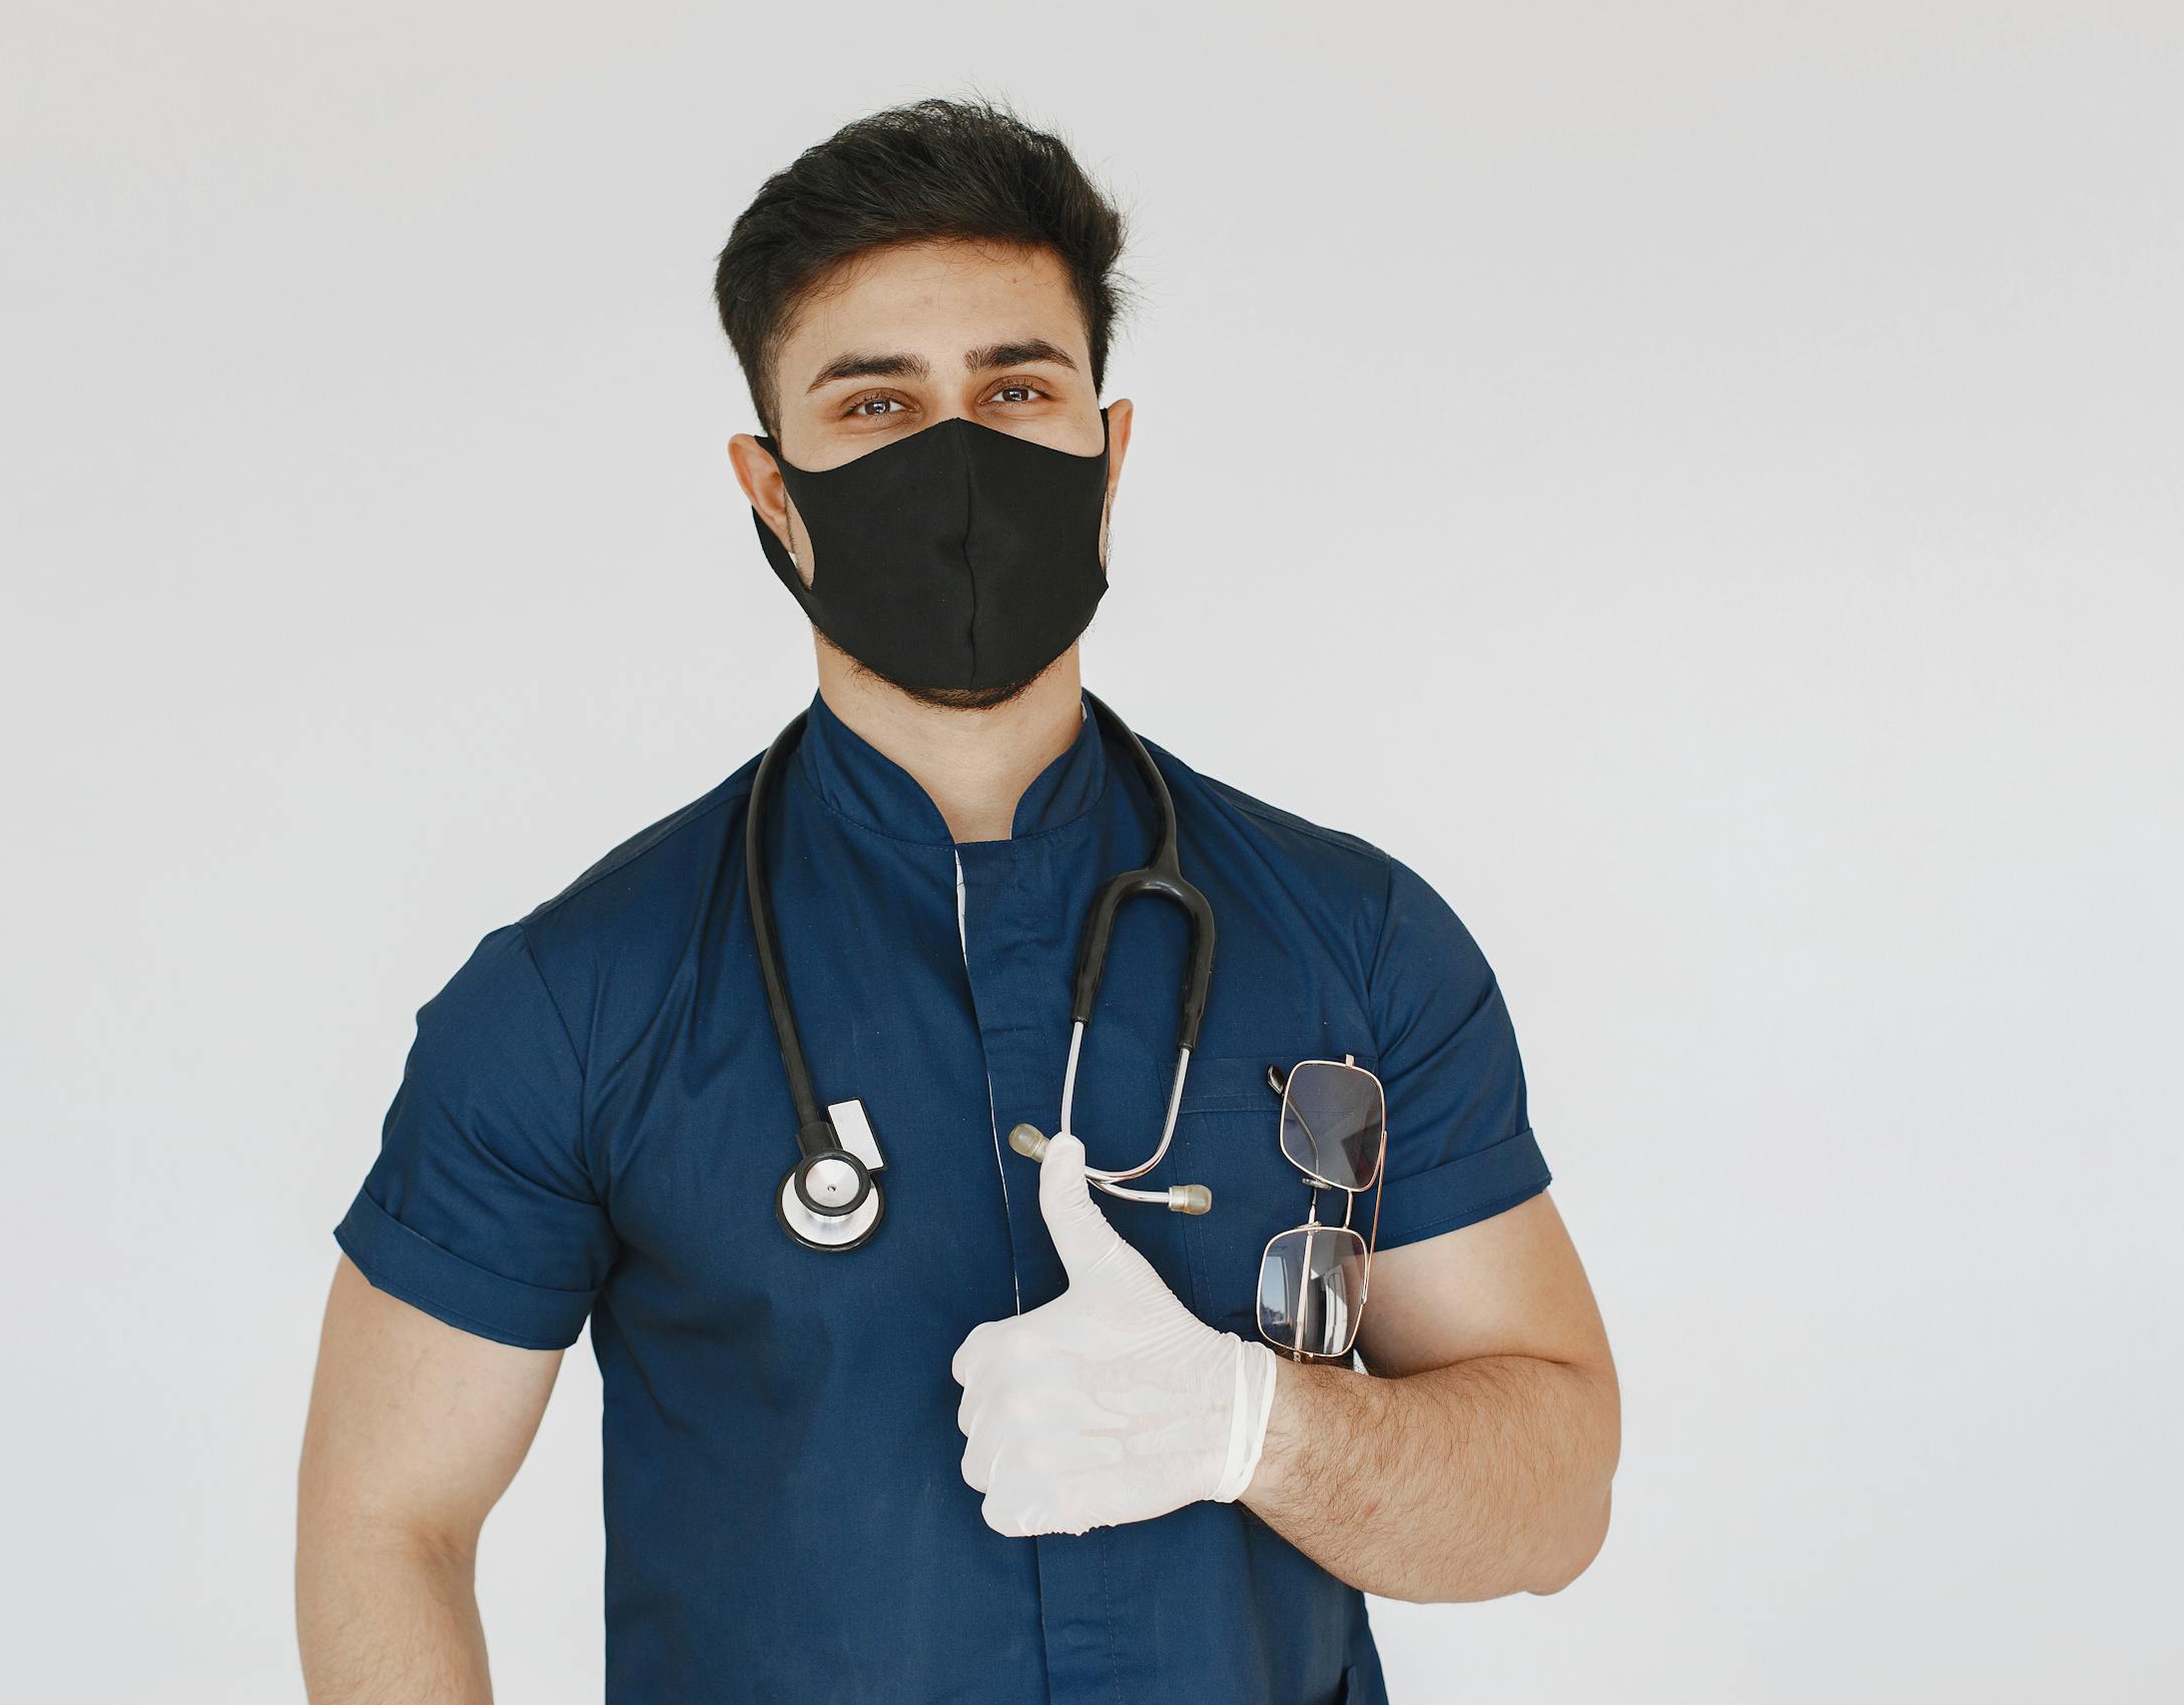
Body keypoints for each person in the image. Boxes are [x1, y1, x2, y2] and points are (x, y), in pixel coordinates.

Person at [296, 95, 1619, 1705]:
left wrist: (1248, 1426)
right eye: (873, 406)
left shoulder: (1357, 942)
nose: (958, 458)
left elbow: (1552, 1498)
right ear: (773, 493)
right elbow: (388, 1521)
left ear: (1107, 452)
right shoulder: (578, 1002)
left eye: (1014, 387)